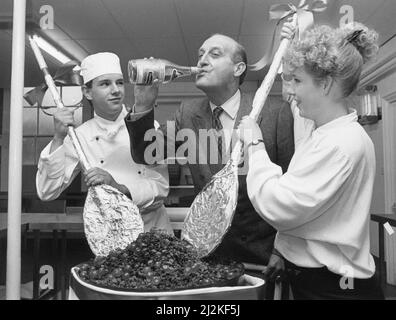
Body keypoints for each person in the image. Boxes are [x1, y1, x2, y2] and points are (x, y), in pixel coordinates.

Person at [125, 27, 295, 286]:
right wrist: (144, 105)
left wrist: (284, 249)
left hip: (263, 257)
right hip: (208, 256)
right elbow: (148, 155)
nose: (202, 60)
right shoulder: (188, 112)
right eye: (200, 54)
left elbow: (291, 186)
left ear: (238, 69)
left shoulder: (275, 112)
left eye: (214, 54)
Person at [238, 22, 384, 299]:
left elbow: (279, 205)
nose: (289, 90)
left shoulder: (341, 143)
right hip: (317, 279)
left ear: (326, 84)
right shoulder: (323, 133)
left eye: (297, 81)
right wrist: (283, 250)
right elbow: (309, 214)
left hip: (336, 288)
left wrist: (254, 144)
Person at [36, 52, 173, 234]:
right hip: (111, 234)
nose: (116, 90)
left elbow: (160, 187)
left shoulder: (147, 127)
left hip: (154, 230)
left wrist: (120, 188)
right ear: (87, 92)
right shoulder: (80, 137)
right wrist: (58, 138)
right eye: (105, 84)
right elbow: (47, 191)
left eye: (119, 82)